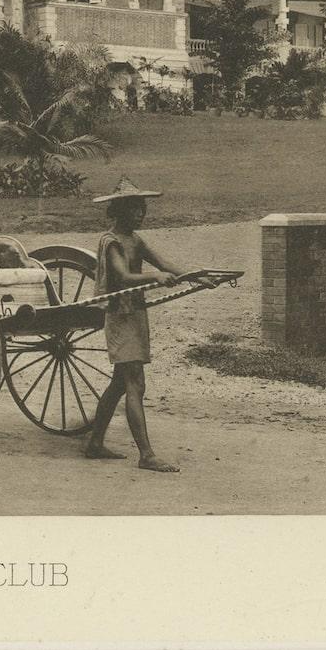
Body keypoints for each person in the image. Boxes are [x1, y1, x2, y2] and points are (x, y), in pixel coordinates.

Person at [82, 178, 184, 472]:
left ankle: (95, 443)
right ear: (118, 211)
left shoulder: (136, 240)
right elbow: (124, 277)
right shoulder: (110, 241)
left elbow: (165, 265)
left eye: (142, 208)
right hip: (120, 317)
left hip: (136, 314)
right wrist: (154, 278)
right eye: (134, 208)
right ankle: (146, 455)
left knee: (119, 383)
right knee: (134, 382)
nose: (140, 214)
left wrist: (199, 276)